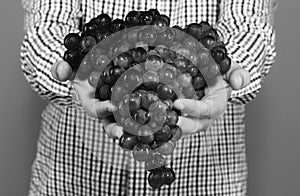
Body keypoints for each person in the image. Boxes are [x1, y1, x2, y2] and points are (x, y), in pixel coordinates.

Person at [20, 0, 276, 195]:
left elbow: (248, 23)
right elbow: (47, 25)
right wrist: (69, 66)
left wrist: (227, 70)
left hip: (205, 179)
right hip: (73, 177)